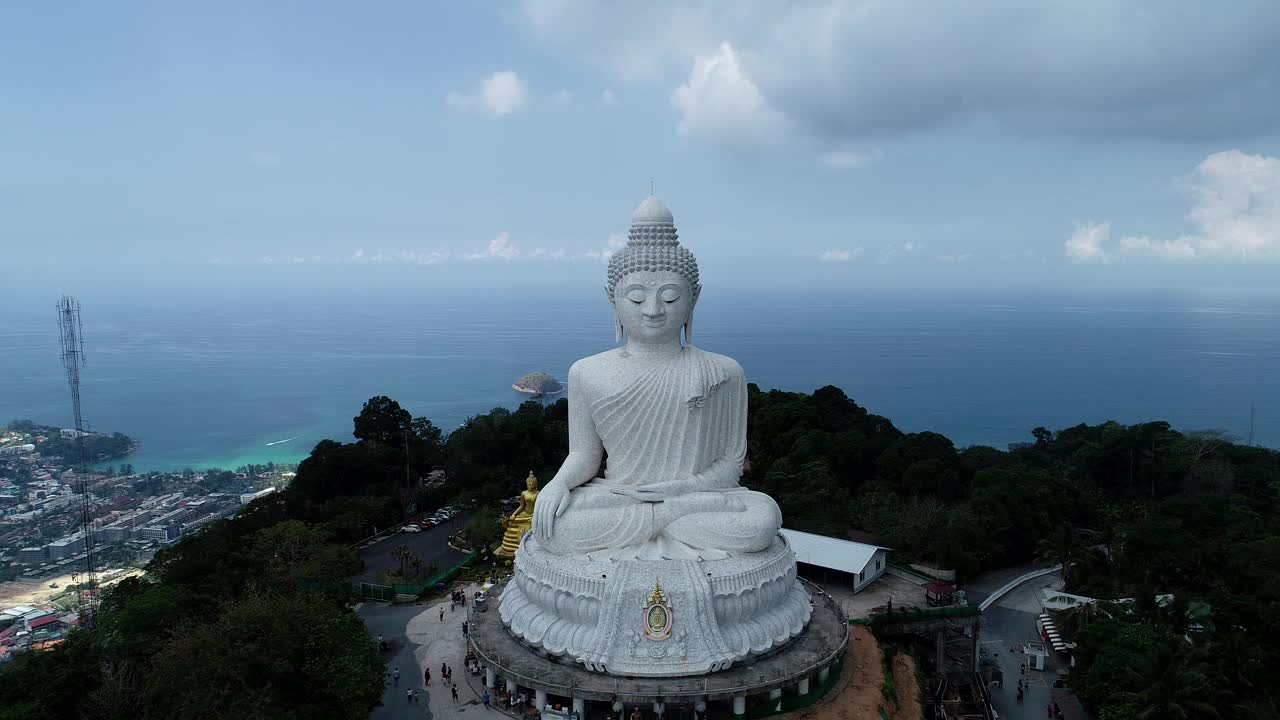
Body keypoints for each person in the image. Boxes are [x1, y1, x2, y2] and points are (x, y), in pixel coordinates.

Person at [531, 197, 780, 562]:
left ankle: (660, 518)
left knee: (761, 520)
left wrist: (677, 490)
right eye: (636, 298)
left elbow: (730, 465)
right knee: (554, 525)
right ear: (611, 300)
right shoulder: (585, 371)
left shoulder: (724, 371)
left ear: (694, 298)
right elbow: (585, 454)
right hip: (623, 497)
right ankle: (664, 520)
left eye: (670, 296)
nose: (653, 310)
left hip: (694, 497)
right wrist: (557, 485)